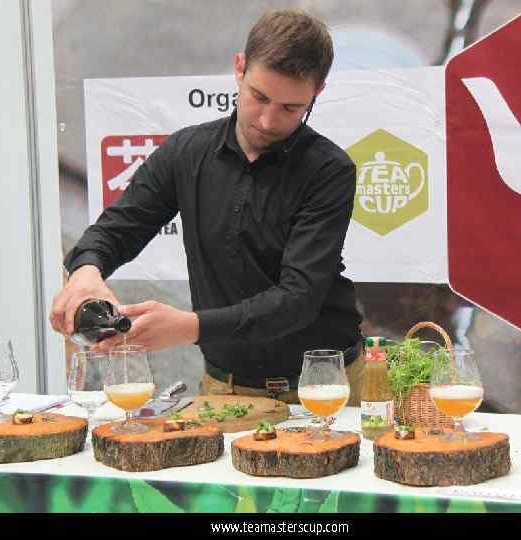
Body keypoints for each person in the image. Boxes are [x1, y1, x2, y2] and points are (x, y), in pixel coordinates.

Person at [50, 9, 364, 405]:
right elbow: (117, 229)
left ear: (317, 92)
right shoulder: (187, 152)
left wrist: (188, 327)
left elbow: (297, 299)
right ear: (239, 68)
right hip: (224, 385)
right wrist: (85, 271)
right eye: (259, 97)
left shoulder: (329, 171)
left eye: (290, 108)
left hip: (322, 383)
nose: (268, 120)